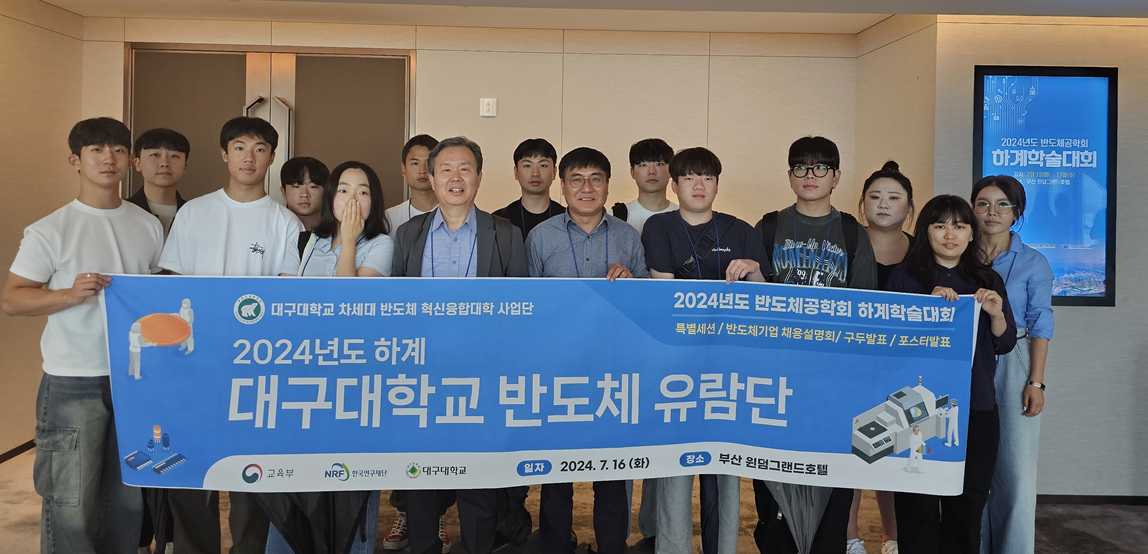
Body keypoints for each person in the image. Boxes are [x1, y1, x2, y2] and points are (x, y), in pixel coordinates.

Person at [2, 117, 163, 554]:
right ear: (75, 160)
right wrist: (68, 295)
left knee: (126, 498)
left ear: (130, 161)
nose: (108, 158)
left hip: (133, 378)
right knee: (71, 500)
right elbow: (12, 299)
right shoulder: (51, 229)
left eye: (117, 150)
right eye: (96, 150)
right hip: (73, 380)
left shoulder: (147, 225)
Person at [159, 116, 303, 554]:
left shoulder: (286, 223)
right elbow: (173, 285)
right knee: (191, 468)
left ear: (272, 157)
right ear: (224, 154)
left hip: (254, 366)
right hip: (195, 362)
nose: (249, 157)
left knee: (251, 472)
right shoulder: (194, 212)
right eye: (239, 147)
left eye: (260, 149)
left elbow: (285, 299)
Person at [391, 136, 527, 554]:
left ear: (479, 177)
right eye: (445, 169)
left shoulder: (505, 234)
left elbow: (522, 311)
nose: (455, 177)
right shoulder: (408, 234)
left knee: (478, 482)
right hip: (422, 374)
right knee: (421, 479)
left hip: (482, 377)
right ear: (430, 178)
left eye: (465, 169)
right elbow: (395, 306)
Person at [750, 136, 876, 554]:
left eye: (820, 167)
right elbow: (751, 308)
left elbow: (865, 312)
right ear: (789, 176)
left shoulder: (853, 234)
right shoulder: (767, 228)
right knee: (774, 482)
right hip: (777, 380)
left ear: (836, 176)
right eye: (801, 167)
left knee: (831, 482)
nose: (810, 175)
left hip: (832, 382)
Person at [264, 161, 393, 554]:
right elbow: (285, 306)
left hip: (355, 382)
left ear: (374, 200)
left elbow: (350, 306)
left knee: (352, 488)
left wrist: (349, 242)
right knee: (293, 484)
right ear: (331, 197)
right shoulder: (303, 242)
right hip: (302, 377)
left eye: (363, 191)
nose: (353, 198)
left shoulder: (382, 245)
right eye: (344, 189)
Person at [642, 147, 765, 554]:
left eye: (708, 178)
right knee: (675, 468)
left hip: (729, 370)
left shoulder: (741, 230)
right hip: (677, 365)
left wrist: (752, 269)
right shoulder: (659, 227)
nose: (699, 185)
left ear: (717, 184)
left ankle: (723, 548)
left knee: (725, 468)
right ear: (674, 184)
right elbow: (666, 297)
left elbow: (765, 301)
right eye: (690, 177)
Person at [527, 146, 647, 554]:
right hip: (558, 371)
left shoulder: (628, 236)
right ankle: (555, 544)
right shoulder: (541, 237)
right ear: (562, 186)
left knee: (611, 471)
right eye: (576, 179)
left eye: (596, 179)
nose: (586, 188)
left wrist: (633, 283)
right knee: (556, 473)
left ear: (608, 185)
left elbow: (649, 303)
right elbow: (528, 307)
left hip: (613, 371)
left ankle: (611, 546)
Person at [885, 194, 1016, 554]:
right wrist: (926, 309)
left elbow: (1005, 343)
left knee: (968, 501)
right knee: (917, 504)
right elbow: (889, 344)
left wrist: (996, 313)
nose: (949, 234)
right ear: (925, 231)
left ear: (972, 233)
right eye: (939, 225)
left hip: (975, 407)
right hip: (918, 409)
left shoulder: (987, 279)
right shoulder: (905, 277)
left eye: (959, 226)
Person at [972, 175, 1054, 554]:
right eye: (983, 203)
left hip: (1014, 358)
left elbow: (1040, 322)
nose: (992, 212)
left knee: (1015, 468)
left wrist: (1036, 381)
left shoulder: (1033, 262)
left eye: (1003, 204)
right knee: (971, 465)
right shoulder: (959, 253)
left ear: (1016, 212)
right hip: (970, 358)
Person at [848, 160, 916, 554]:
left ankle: (893, 538)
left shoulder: (924, 250)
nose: (884, 204)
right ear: (862, 204)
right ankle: (850, 539)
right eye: (875, 196)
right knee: (851, 451)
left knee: (895, 450)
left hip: (903, 367)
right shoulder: (845, 244)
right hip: (851, 364)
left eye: (894, 197)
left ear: (909, 206)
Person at [493, 138, 564, 240]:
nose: (535, 173)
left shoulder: (568, 219)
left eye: (543, 165)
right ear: (516, 172)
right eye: (527, 166)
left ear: (554, 172)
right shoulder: (498, 220)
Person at [129, 128, 189, 239]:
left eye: (174, 156)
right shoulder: (123, 212)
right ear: (138, 163)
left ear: (184, 166)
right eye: (155, 155)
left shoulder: (194, 213)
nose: (165, 163)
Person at [611, 138, 677, 236]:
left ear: (671, 170)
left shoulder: (684, 217)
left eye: (659, 164)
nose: (651, 171)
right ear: (632, 172)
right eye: (643, 165)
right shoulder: (615, 216)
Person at [385, 134, 440, 237]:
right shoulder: (389, 219)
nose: (422, 170)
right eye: (415, 163)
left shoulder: (454, 214)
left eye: (428, 163)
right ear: (403, 169)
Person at [280, 156, 329, 232]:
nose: (304, 194)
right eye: (296, 186)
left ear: (326, 191)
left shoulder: (339, 231)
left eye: (313, 187)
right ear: (283, 192)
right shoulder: (273, 229)